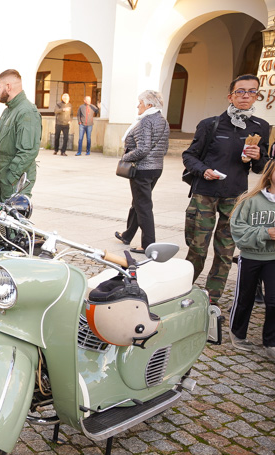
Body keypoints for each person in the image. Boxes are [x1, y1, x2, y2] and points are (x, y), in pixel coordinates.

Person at [183, 74, 269, 304]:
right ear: (230, 96)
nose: (246, 96)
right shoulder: (211, 124)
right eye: (240, 91)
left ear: (256, 96)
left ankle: (212, 300)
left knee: (225, 252)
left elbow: (261, 168)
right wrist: (203, 170)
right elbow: (189, 156)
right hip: (205, 195)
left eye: (252, 92)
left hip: (236, 197)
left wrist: (259, 156)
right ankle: (180, 293)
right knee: (197, 251)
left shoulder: (260, 127)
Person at [228, 159, 275, 360]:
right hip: (250, 257)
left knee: (273, 300)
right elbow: (237, 229)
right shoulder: (250, 199)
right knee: (244, 297)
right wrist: (265, 232)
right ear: (270, 172)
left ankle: (271, 342)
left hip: (273, 258)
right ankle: (237, 334)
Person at [114, 90, 170, 253]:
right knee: (138, 203)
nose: (137, 105)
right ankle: (127, 234)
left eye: (140, 102)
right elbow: (164, 148)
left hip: (142, 169)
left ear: (149, 105)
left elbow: (143, 149)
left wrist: (125, 158)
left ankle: (148, 244)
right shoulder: (163, 121)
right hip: (156, 168)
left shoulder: (146, 121)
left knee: (143, 206)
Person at [0, 69, 41, 201]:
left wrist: (10, 177)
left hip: (14, 177)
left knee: (13, 218)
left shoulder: (27, 111)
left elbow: (28, 151)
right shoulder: (8, 111)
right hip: (2, 174)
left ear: (8, 87)